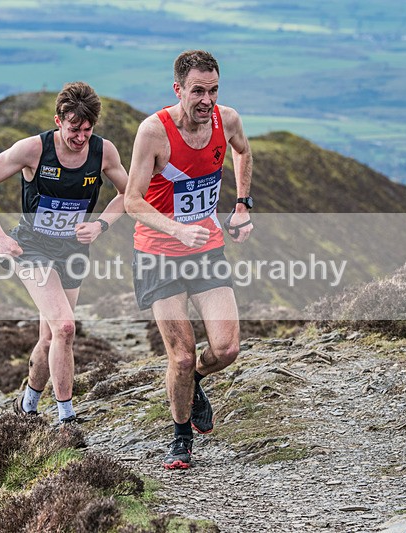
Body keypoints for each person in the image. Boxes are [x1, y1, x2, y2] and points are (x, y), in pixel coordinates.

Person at [0, 82, 128, 425]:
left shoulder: (104, 152)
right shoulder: (33, 150)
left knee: (49, 337)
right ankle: (66, 418)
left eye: (87, 130)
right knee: (66, 327)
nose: (81, 138)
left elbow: (130, 194)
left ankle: (27, 406)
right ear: (58, 120)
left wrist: (101, 225)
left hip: (73, 251)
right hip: (33, 248)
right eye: (74, 129)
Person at [124, 50, 254, 469]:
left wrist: (242, 204)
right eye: (197, 91)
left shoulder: (227, 120)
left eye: (213, 90)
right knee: (179, 355)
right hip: (158, 253)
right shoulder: (153, 132)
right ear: (177, 89)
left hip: (206, 250)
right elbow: (131, 200)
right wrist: (177, 228)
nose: (206, 100)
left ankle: (195, 380)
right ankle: (180, 437)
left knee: (228, 349)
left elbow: (243, 152)